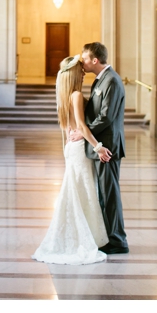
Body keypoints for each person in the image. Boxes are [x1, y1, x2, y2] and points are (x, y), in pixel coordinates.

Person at [32, 55, 111, 265]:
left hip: (71, 147)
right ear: (74, 74)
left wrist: (74, 133)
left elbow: (71, 126)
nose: (84, 72)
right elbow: (82, 127)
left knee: (77, 191)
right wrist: (99, 147)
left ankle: (85, 235)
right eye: (81, 70)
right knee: (83, 191)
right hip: (78, 149)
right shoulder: (75, 94)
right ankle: (83, 239)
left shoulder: (66, 94)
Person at [70, 41, 129, 254]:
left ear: (95, 60)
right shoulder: (101, 79)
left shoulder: (111, 81)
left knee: (110, 193)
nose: (82, 62)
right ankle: (111, 236)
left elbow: (106, 116)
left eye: (84, 58)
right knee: (104, 193)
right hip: (102, 144)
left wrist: (82, 132)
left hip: (108, 147)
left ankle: (118, 241)